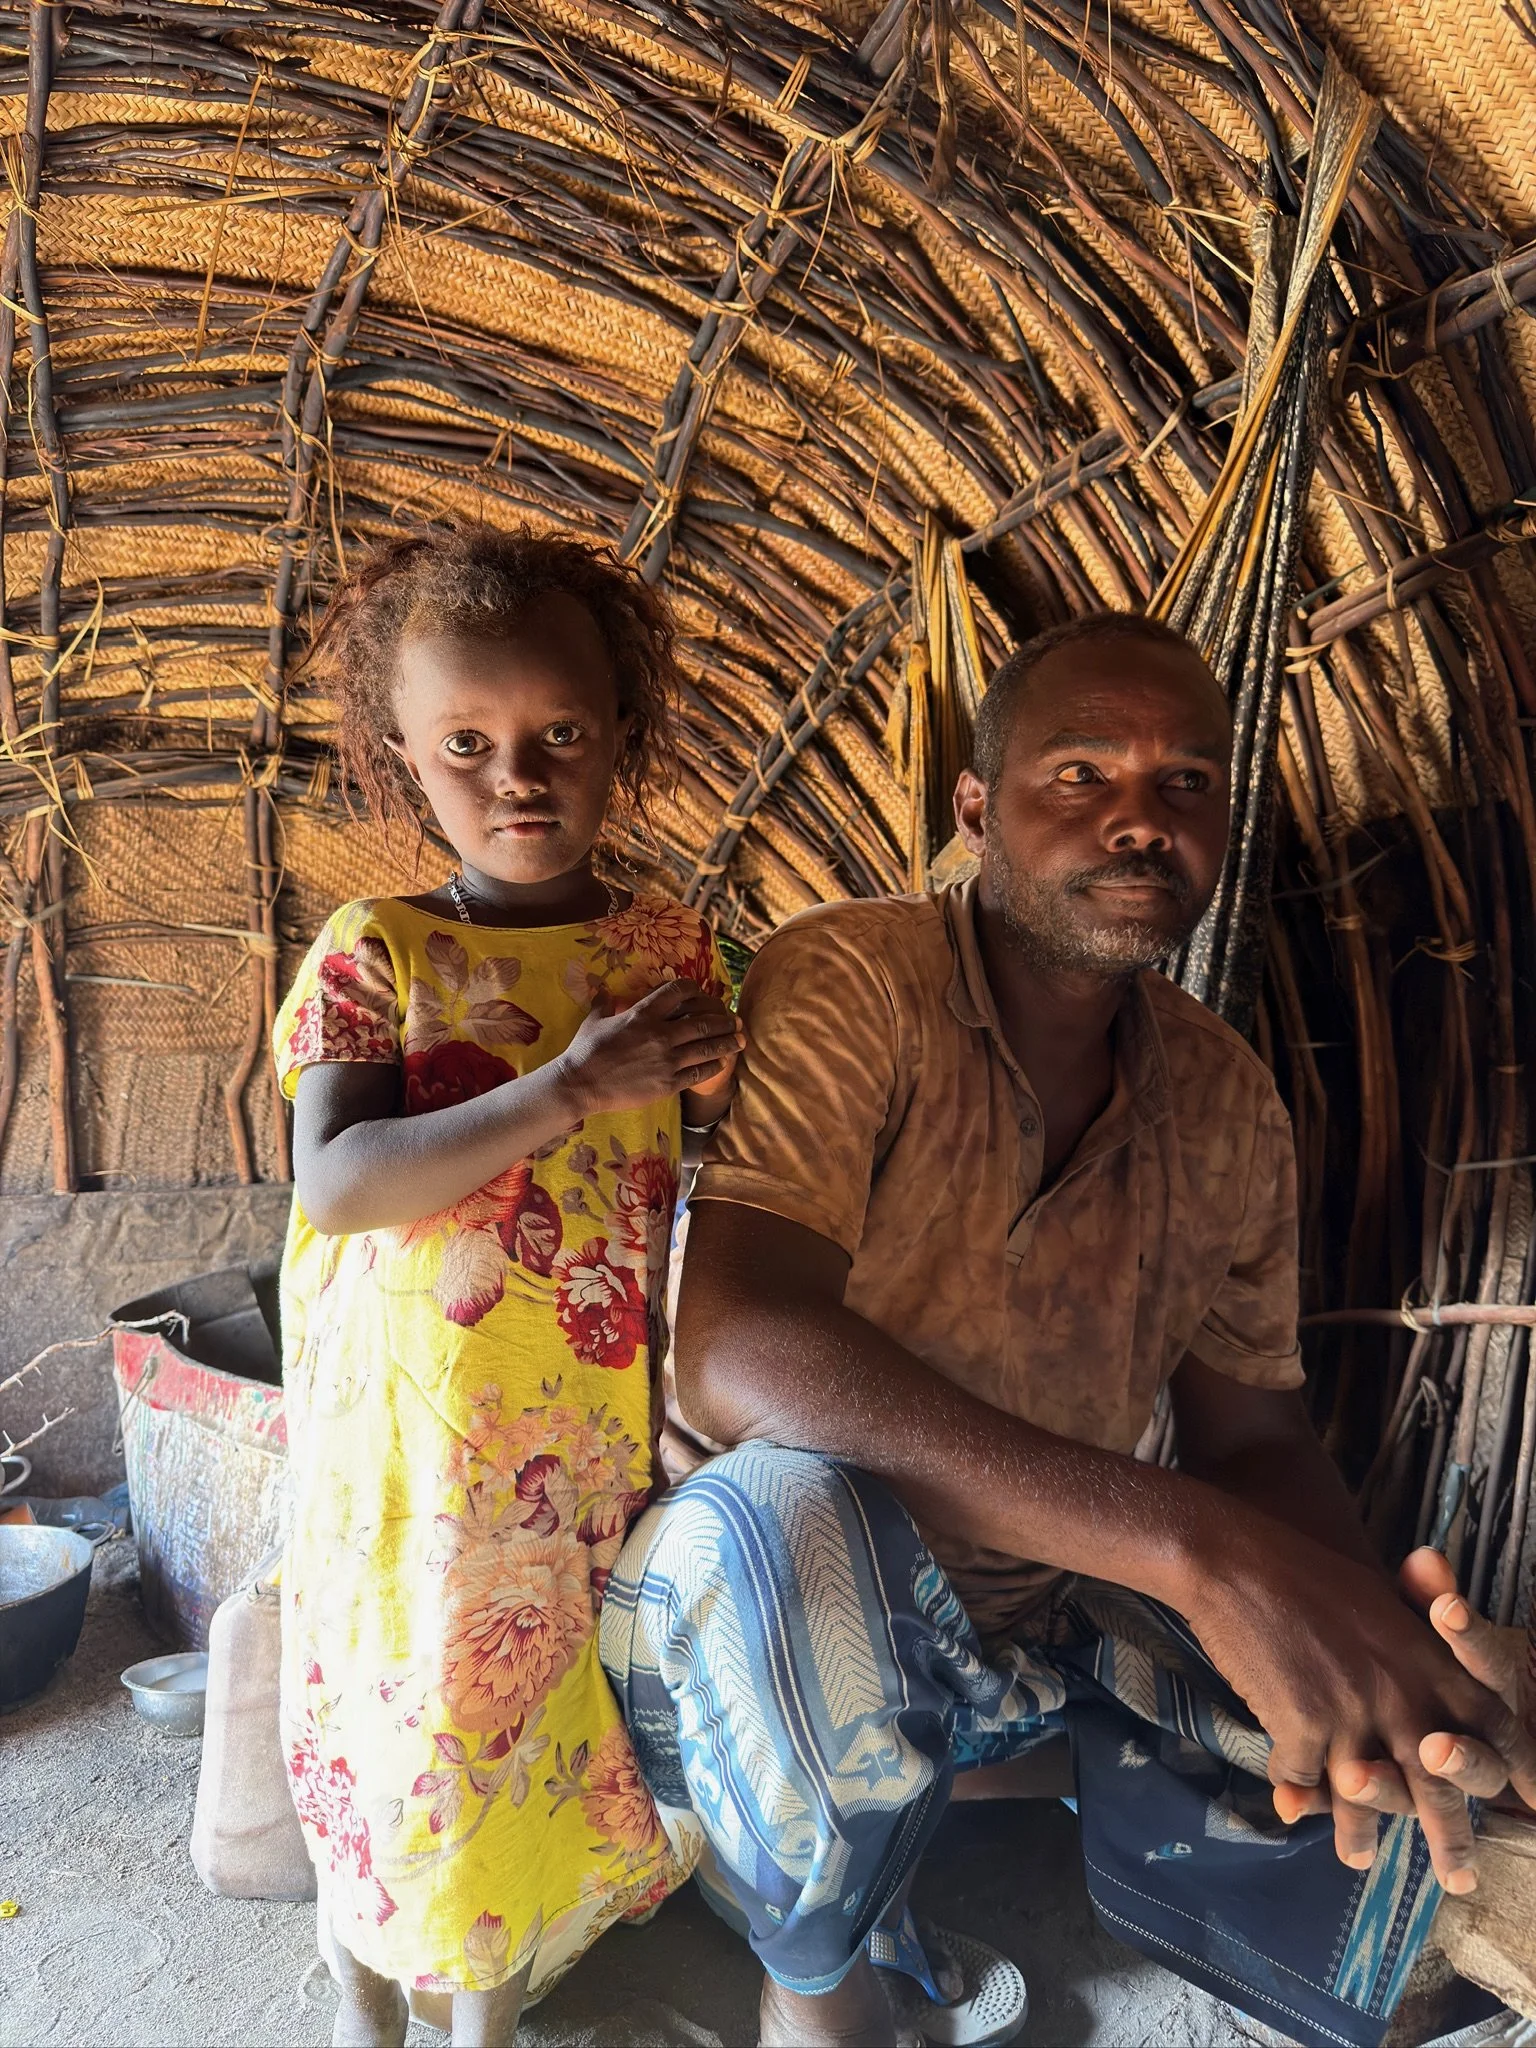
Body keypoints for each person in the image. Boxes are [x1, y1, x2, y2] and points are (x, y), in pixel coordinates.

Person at [598, 614, 1536, 2048]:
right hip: (746, 1652)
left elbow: (1256, 1439)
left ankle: (1363, 1860)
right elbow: (733, 1348)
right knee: (772, 1515)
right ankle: (819, 1979)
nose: (1138, 823)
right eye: (1081, 775)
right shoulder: (859, 981)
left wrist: (1387, 1650)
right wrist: (1196, 1548)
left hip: (1038, 1623)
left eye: (1185, 786)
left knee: (1408, 1707)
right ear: (977, 811)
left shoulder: (1225, 1103)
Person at [271, 526, 742, 2048]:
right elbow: (340, 1184)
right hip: (404, 1450)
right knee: (383, 1708)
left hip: (586, 1433)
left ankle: (478, 2010)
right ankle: (364, 1994)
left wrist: (695, 1391)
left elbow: (710, 1183)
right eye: (466, 744)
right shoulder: (373, 953)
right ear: (403, 755)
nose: (516, 775)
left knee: (525, 1724)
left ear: (624, 742)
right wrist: (570, 1084)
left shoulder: (672, 952)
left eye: (559, 736)